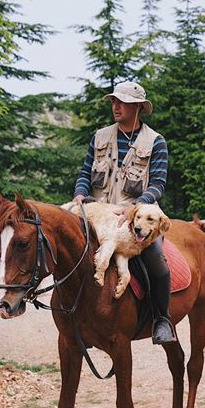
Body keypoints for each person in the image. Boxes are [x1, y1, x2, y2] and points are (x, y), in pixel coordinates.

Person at [72, 80, 176, 344]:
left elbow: (158, 184)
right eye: (114, 102)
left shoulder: (155, 141)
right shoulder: (100, 136)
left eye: (122, 102)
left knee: (156, 260)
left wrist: (135, 207)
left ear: (138, 107)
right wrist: (80, 194)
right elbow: (85, 173)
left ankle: (161, 319)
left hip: (138, 215)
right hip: (97, 214)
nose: (115, 106)